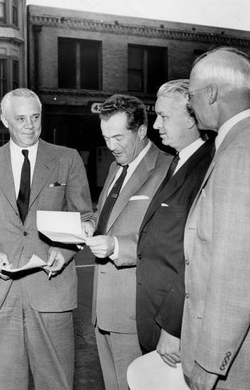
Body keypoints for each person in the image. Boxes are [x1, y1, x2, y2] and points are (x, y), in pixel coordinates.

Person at [0, 88, 93, 390]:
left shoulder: (67, 159)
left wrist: (64, 250)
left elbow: (83, 217)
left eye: (35, 117)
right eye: (20, 118)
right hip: (2, 293)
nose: (29, 125)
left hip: (51, 290)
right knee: (5, 384)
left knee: (57, 382)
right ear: (4, 119)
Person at [181, 47, 250, 390]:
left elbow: (236, 271)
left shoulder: (242, 154)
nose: (190, 104)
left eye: (191, 95)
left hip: (236, 362)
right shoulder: (247, 142)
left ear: (212, 93)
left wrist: (209, 362)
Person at [83, 94, 171, 390]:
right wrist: (88, 224)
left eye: (118, 137)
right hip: (103, 308)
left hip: (134, 312)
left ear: (142, 131)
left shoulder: (167, 169)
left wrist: (115, 246)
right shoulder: (115, 167)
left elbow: (164, 241)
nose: (111, 146)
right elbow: (105, 216)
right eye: (106, 138)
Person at [135, 79, 214, 367]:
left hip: (176, 327)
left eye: (164, 117)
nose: (156, 125)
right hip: (155, 318)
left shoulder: (208, 167)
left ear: (193, 118)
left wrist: (173, 326)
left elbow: (199, 258)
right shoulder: (179, 160)